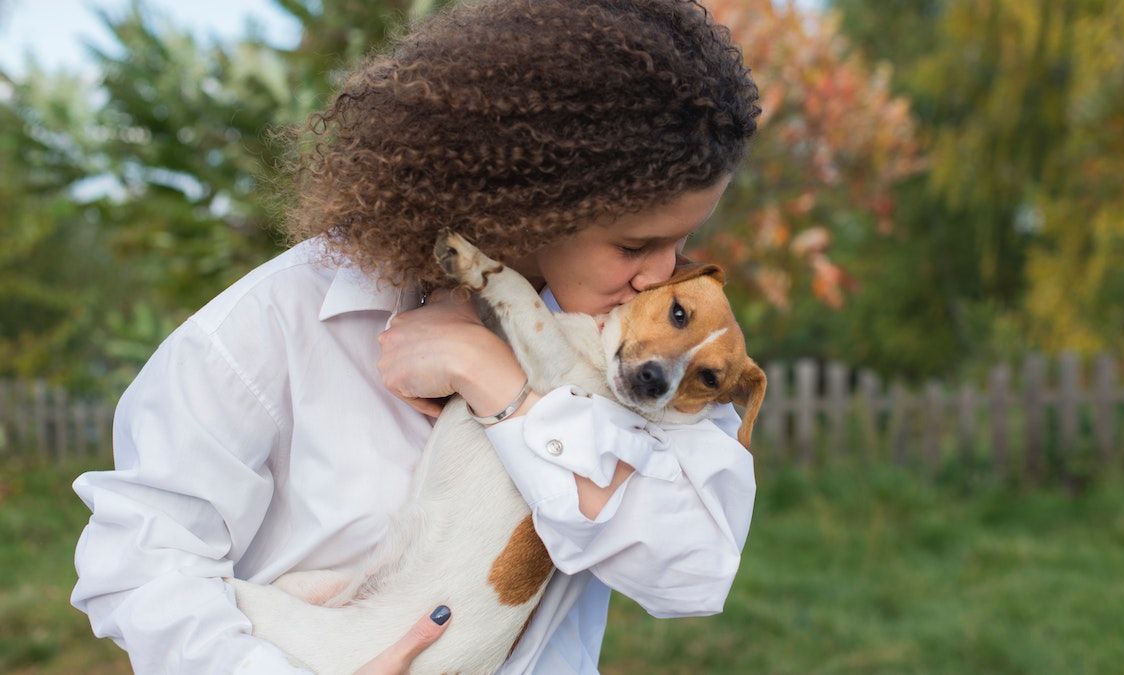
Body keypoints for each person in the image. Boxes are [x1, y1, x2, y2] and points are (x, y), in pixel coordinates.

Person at [70, 0, 761, 672]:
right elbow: (141, 561)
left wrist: (502, 387)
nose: (663, 276)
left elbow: (695, 570)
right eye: (636, 243)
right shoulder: (270, 326)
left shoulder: (642, 355)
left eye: (682, 240)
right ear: (538, 199)